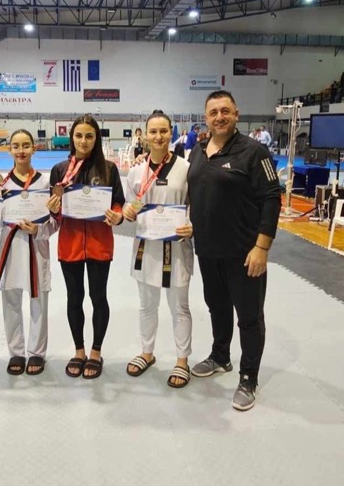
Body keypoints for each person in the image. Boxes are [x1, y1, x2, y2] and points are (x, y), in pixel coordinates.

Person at [187, 90, 281, 412]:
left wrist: (262, 247)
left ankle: (249, 376)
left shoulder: (254, 152)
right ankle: (220, 356)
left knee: (249, 317)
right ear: (206, 118)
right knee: (217, 307)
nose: (219, 117)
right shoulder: (198, 151)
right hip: (207, 251)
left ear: (236, 114)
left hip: (244, 253)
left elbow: (272, 199)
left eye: (225, 111)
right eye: (213, 112)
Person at [46, 116, 125, 379]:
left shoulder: (109, 169)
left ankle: (96, 352)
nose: (83, 141)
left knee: (98, 297)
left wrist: (117, 215)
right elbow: (54, 211)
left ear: (96, 139)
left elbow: (118, 202)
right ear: (72, 138)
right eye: (79, 135)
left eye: (89, 136)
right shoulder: (59, 170)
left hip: (99, 244)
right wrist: (53, 210)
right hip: (70, 244)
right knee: (74, 298)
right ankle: (79, 351)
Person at [122, 111, 194, 388]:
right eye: (153, 131)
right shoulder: (137, 171)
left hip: (176, 245)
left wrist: (193, 225)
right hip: (147, 247)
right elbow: (131, 203)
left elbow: (195, 204)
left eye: (163, 131)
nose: (159, 136)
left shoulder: (186, 168)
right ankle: (147, 352)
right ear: (145, 134)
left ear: (171, 132)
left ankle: (182, 361)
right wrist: (128, 211)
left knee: (180, 307)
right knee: (147, 305)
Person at [0, 129, 57, 376]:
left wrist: (39, 229)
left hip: (36, 244)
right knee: (11, 300)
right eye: (16, 146)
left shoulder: (45, 183)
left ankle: (37, 351)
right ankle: (16, 351)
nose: (21, 151)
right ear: (9, 149)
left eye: (26, 145)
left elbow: (55, 222)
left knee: (39, 299)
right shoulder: (0, 185)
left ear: (34, 148)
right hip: (9, 244)